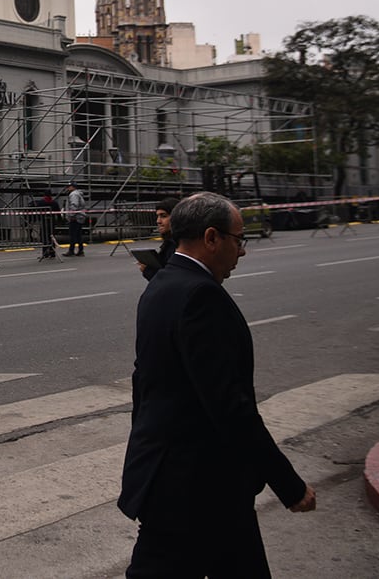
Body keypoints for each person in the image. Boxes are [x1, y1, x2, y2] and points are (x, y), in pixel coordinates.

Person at [118, 192, 315, 578]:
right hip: (197, 485)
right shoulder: (201, 296)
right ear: (211, 238)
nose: (242, 251)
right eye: (238, 240)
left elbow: (143, 383)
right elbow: (230, 406)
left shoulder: (160, 284)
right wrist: (288, 484)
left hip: (176, 477)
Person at [138, 196, 179, 281]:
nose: (158, 221)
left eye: (163, 216)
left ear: (176, 217)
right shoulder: (169, 243)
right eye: (157, 216)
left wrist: (148, 271)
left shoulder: (179, 246)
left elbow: (171, 281)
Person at [63, 182, 88, 257]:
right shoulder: (77, 194)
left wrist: (71, 216)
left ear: (73, 187)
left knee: (73, 235)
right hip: (79, 217)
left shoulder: (73, 194)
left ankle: (72, 250)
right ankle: (80, 250)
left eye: (69, 186)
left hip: (75, 218)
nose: (67, 188)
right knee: (78, 235)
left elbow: (74, 206)